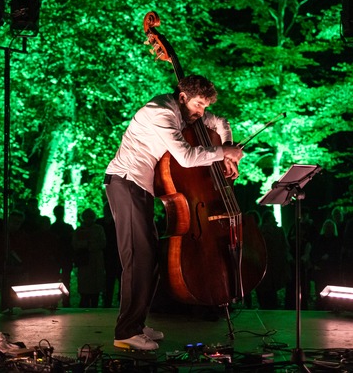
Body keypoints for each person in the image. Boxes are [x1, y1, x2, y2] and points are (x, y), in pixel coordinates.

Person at [103, 75, 243, 350]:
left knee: (151, 257)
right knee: (139, 257)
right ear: (182, 97)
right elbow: (187, 157)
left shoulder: (188, 112)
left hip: (139, 187)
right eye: (199, 105)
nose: (202, 112)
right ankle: (126, 332)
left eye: (205, 107)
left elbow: (220, 122)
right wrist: (223, 150)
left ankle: (137, 324)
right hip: (126, 182)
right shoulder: (160, 113)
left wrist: (227, 150)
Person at [255, 210, 290, 309]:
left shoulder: (259, 231)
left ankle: (265, 306)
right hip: (275, 264)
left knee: (263, 288)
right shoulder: (279, 231)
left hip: (263, 263)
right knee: (272, 289)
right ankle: (272, 305)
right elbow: (285, 247)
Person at [72, 208, 106, 308]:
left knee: (95, 286)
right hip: (84, 261)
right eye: (87, 217)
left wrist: (89, 245)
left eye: (90, 217)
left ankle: (94, 304)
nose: (88, 219)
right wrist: (87, 244)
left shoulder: (98, 229)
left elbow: (103, 243)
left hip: (96, 261)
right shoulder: (79, 230)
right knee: (85, 286)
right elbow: (75, 244)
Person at [311, 219, 342, 309]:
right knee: (321, 290)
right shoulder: (320, 240)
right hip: (322, 270)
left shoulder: (335, 241)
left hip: (331, 271)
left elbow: (337, 255)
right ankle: (322, 306)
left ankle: (329, 306)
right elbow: (314, 253)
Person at [50, 205, 74, 307]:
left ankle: (56, 301)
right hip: (64, 258)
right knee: (65, 280)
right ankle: (65, 301)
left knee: (57, 280)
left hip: (58, 259)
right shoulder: (68, 227)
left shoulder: (52, 228)